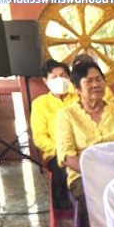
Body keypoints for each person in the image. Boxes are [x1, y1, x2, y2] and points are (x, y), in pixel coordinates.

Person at [55, 61, 114, 227]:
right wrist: (100, 173)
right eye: (89, 81)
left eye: (99, 80)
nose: (96, 85)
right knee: (97, 202)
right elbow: (68, 157)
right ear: (76, 88)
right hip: (84, 177)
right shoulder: (66, 115)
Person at [30, 59, 76, 211]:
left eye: (63, 76)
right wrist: (62, 150)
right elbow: (39, 138)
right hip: (56, 152)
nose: (60, 80)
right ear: (45, 81)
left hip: (83, 147)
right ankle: (69, 207)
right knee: (66, 169)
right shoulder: (40, 104)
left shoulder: (80, 98)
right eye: (54, 77)